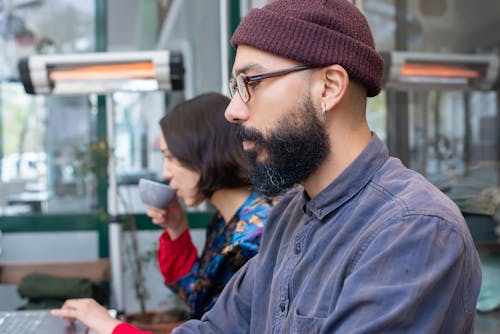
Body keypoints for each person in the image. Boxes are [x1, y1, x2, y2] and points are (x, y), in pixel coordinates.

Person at [53, 1, 482, 333]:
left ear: (329, 87)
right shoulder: (288, 216)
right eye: (234, 87)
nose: (233, 111)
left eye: (251, 83)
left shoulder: (413, 230)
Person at [51, 93, 277, 334]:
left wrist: (109, 325)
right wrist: (176, 226)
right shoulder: (231, 220)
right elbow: (200, 298)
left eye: (170, 157)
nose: (166, 173)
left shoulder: (252, 238)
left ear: (204, 153)